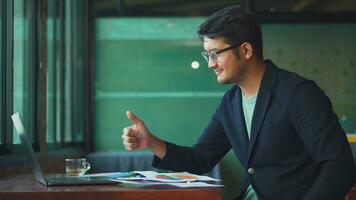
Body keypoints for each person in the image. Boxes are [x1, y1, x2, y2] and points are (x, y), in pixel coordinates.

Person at [121, 5, 355, 200]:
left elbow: (339, 166)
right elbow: (201, 159)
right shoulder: (230, 103)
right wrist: (150, 142)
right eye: (206, 55)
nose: (210, 63)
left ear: (245, 50)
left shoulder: (299, 94)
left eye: (216, 53)